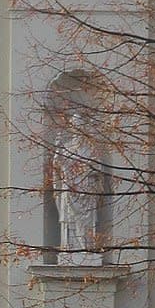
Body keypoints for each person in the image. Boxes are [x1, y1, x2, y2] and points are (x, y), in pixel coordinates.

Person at [49, 112, 106, 263]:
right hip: (70, 189)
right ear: (72, 127)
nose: (78, 127)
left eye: (81, 124)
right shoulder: (66, 147)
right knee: (70, 221)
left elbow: (98, 169)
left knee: (88, 223)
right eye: (76, 125)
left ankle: (88, 249)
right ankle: (70, 249)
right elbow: (58, 167)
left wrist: (91, 173)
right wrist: (57, 151)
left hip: (87, 191)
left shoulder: (92, 149)